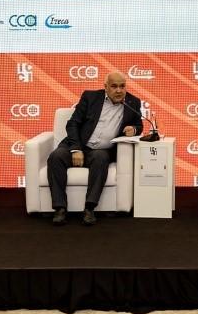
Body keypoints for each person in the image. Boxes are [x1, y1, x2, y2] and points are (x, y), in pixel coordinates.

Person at [47, 72, 143, 226]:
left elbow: (139, 125)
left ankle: (89, 208)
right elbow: (73, 123)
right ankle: (60, 208)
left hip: (101, 151)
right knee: (55, 157)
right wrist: (76, 149)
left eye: (122, 86)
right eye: (114, 86)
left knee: (101, 158)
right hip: (77, 144)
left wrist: (134, 129)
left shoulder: (133, 102)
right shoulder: (91, 97)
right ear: (106, 87)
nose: (119, 90)